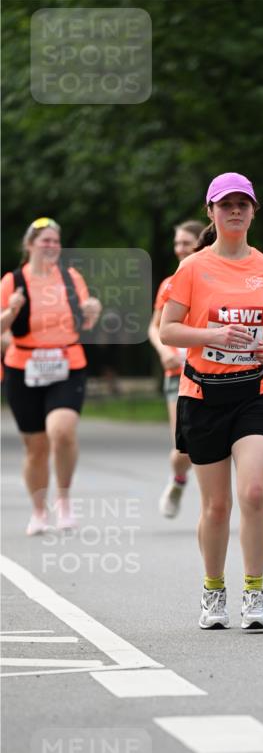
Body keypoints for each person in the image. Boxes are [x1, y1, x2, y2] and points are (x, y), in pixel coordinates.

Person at [160, 173, 263, 631]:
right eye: (226, 204)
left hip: (256, 390)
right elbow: (168, 330)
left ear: (254, 211)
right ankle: (213, 589)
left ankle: (254, 591)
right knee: (216, 507)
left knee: (253, 491)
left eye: (243, 204)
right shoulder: (192, 268)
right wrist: (211, 335)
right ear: (211, 212)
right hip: (203, 394)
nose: (235, 210)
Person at [0, 217, 102, 534]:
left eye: (56, 241)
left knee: (62, 431)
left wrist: (92, 311)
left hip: (67, 363)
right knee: (36, 448)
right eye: (45, 240)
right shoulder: (12, 281)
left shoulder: (70, 278)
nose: (52, 246)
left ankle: (64, 500)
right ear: (30, 245)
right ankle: (38, 511)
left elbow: (85, 322)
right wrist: (11, 311)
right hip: (23, 368)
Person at [147, 220, 205, 517]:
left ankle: (216, 503)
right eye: (177, 243)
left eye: (186, 243)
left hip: (211, 371)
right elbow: (154, 326)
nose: (180, 249)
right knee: (185, 445)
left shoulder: (215, 279)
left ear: (201, 243)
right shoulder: (169, 284)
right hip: (178, 373)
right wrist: (163, 352)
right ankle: (179, 479)